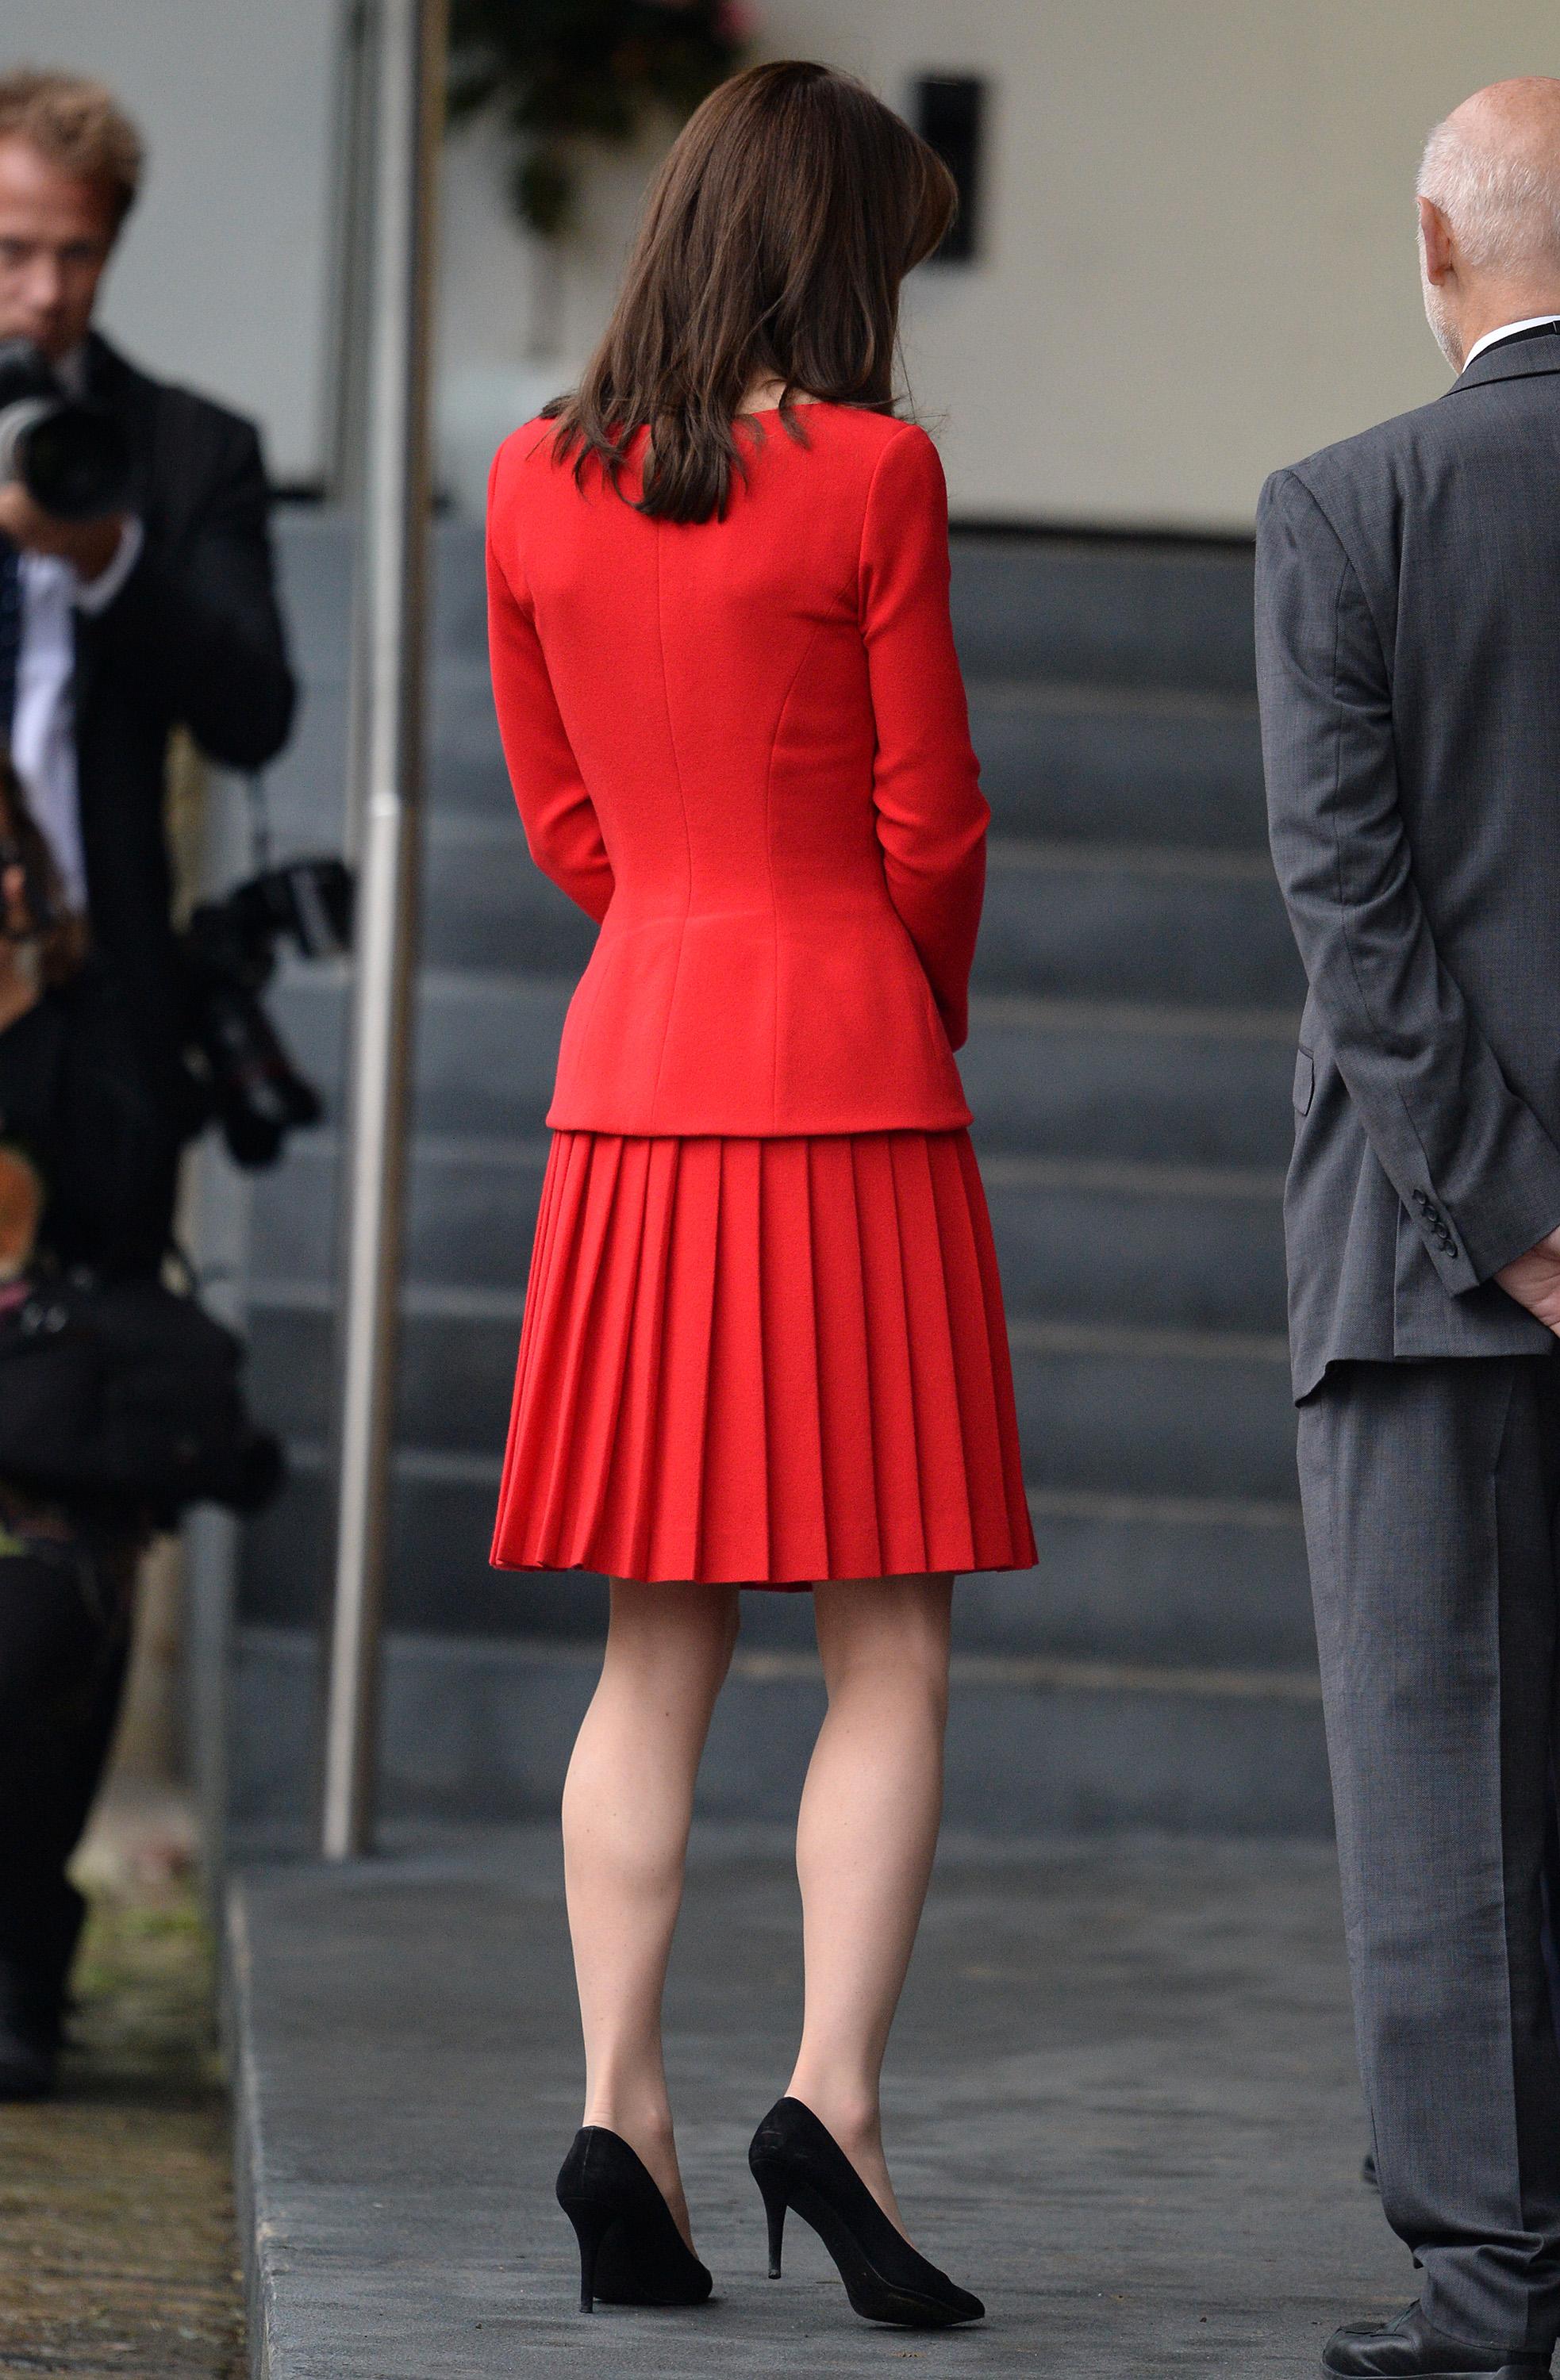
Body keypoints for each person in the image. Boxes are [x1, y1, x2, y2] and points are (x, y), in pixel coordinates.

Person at [485, 60, 1035, 2332]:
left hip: (631, 1077)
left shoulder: (529, 477)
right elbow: (930, 816)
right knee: (882, 1633)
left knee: (652, 1642)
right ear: (836, 252)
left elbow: (559, 818)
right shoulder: (875, 472)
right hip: (843, 1076)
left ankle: (621, 2110)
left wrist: (682, 941)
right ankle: (833, 2097)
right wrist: (883, 990)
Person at [1256, 75, 1560, 2380]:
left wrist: (1511, 1219)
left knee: (1440, 1789)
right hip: (1476, 1256)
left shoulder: (1340, 508)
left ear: (1431, 250)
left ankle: (1484, 2292)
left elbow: (1351, 918)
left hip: (1425, 1279)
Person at [0, 67, 294, 1195]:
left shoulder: (189, 451)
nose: (42, 292)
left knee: (99, 1354)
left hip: (102, 998)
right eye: (11, 250)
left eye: (74, 253)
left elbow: (256, 713)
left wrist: (105, 558)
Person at [0, 754, 183, 2096]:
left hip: (45, 1449)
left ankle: (21, 1957)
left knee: (42, 1608)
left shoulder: (89, 1033)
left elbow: (128, 1230)